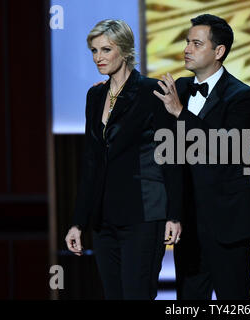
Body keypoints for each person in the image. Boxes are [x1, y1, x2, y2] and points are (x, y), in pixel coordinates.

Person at [64, 19, 182, 300]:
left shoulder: (152, 92)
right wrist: (78, 222)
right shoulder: (94, 95)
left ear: (126, 50)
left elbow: (172, 158)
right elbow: (91, 161)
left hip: (143, 214)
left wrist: (174, 215)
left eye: (106, 50)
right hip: (104, 219)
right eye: (93, 51)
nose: (98, 58)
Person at [153, 14, 250, 300]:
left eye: (196, 43)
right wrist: (111, 91)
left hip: (228, 221)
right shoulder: (179, 88)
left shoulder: (242, 96)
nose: (187, 49)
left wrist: (181, 113)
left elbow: (227, 148)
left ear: (219, 51)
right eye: (186, 42)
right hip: (187, 222)